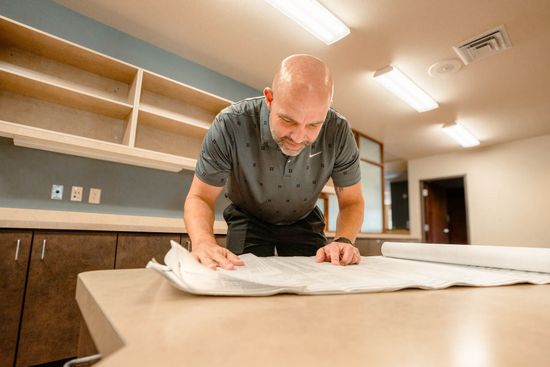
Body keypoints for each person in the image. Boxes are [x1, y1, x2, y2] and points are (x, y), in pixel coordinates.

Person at [184, 54, 364, 270]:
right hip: (248, 216)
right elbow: (200, 197)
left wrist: (343, 240)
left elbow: (352, 201)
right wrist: (203, 242)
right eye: (288, 120)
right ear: (269, 98)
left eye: (314, 125)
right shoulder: (230, 124)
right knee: (244, 278)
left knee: (320, 276)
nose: (298, 138)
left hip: (304, 218)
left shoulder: (339, 131)